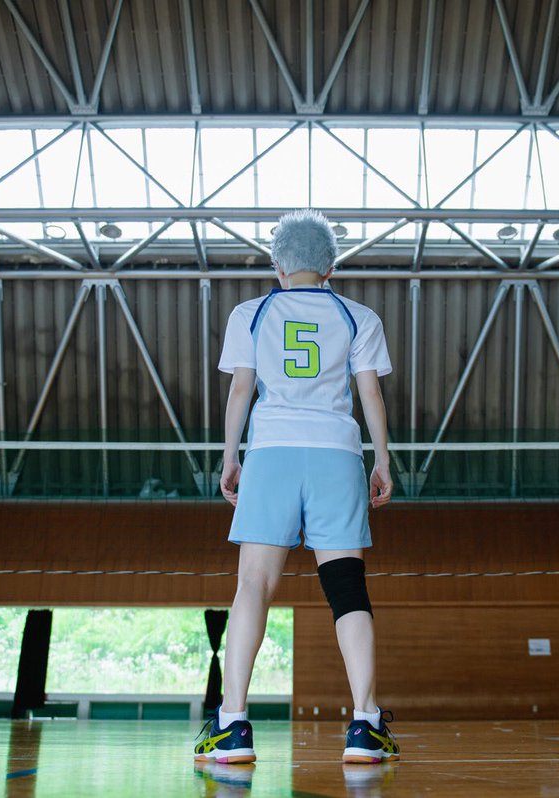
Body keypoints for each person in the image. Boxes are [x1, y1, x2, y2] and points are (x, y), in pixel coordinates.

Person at [193, 209, 400, 766]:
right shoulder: (359, 316)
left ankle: (232, 726)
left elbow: (241, 390)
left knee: (253, 586)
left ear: (277, 265)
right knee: (347, 588)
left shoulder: (250, 313)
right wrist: (382, 460)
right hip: (337, 455)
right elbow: (371, 395)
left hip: (272, 453)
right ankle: (366, 726)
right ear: (331, 267)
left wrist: (230, 456)